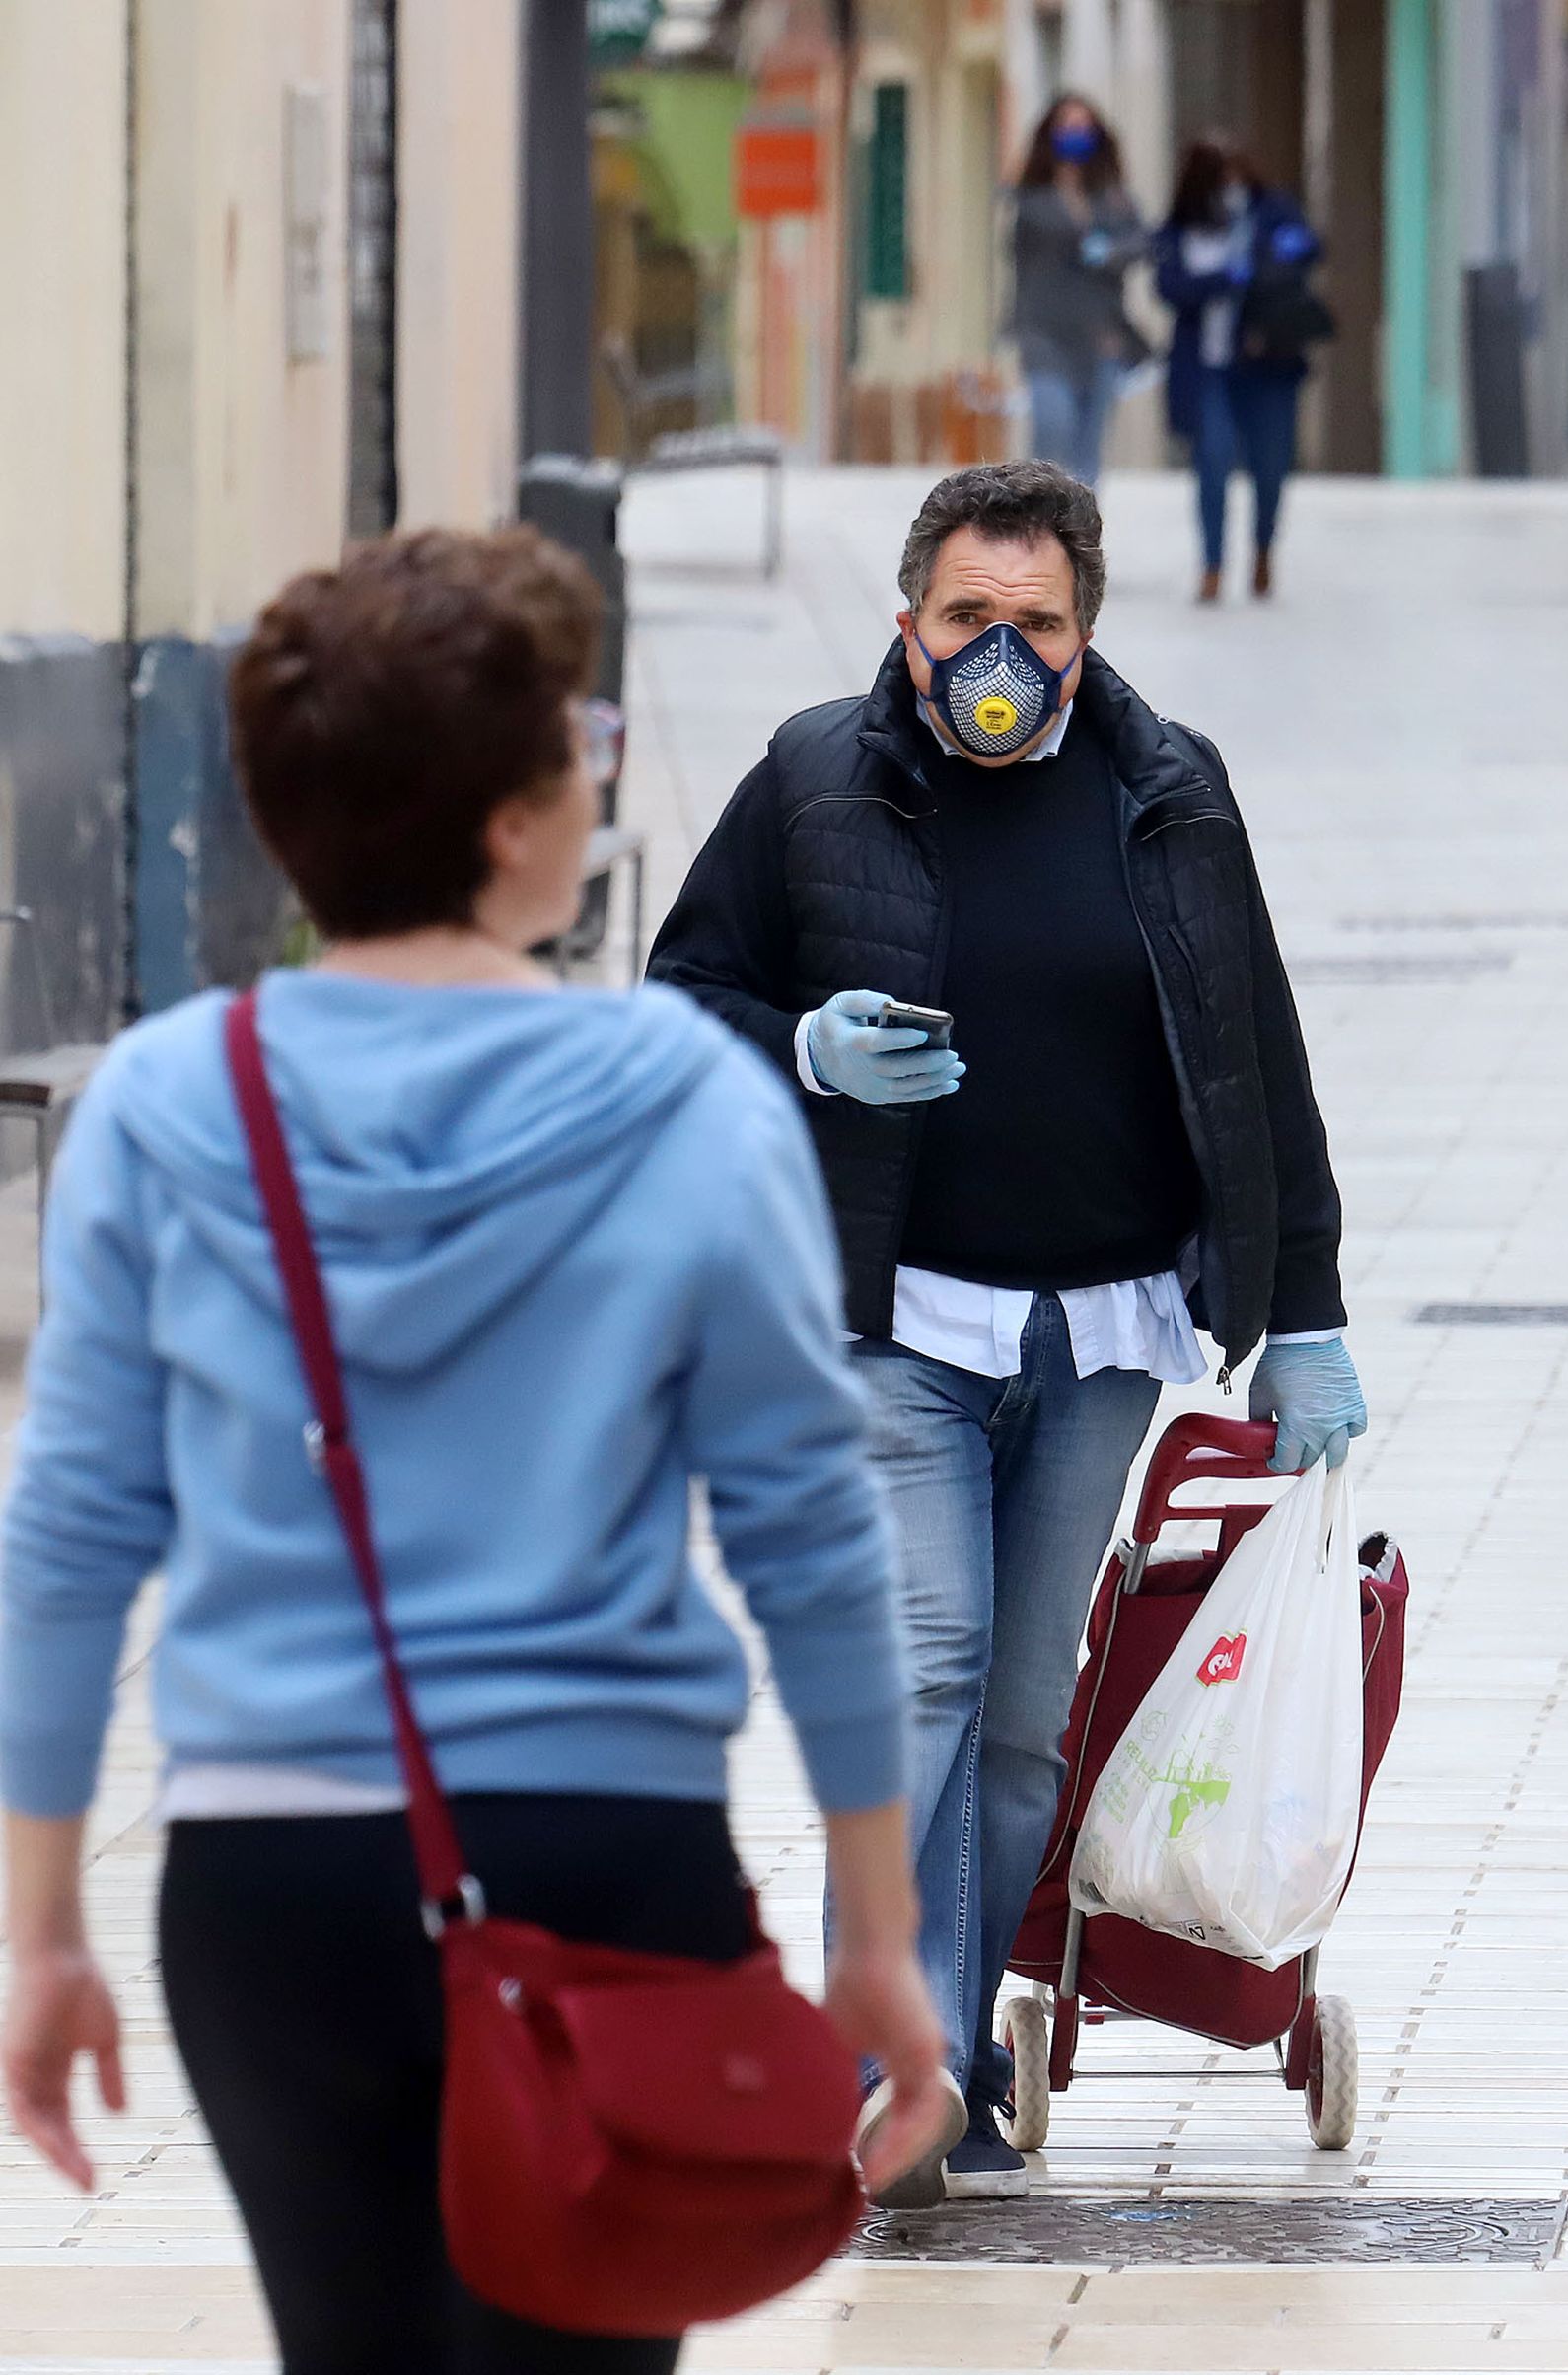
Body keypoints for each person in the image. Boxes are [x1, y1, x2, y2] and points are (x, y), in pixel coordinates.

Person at [0, 527, 950, 2374]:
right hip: (609, 1856)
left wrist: (38, 1924)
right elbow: (815, 1539)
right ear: (524, 822)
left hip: (271, 1881)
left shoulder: (167, 1106)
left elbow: (69, 1534)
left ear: (282, 819)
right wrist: (883, 1935)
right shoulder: (685, 1102)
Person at [647, 460, 1367, 2205]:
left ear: (1085, 633)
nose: (1002, 652)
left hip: (1103, 1332)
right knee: (925, 1663)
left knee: (1030, 1717)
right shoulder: (816, 777)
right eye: (969, 617)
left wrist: (1309, 1309)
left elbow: (1254, 1058)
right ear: (910, 626)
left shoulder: (1171, 792)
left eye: (1035, 622)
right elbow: (680, 1001)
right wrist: (807, 1045)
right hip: (887, 1319)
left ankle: (951, 2049)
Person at [1155, 139, 1325, 602]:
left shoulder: (1273, 214)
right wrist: (1221, 280)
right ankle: (1211, 565)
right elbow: (1169, 287)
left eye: (1233, 174)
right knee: (1212, 462)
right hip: (1209, 370)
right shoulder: (1181, 230)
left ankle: (1264, 551)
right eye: (1216, 177)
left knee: (1271, 467)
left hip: (1268, 365)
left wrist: (1265, 266)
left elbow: (1308, 251)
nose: (1227, 187)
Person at [1010, 94, 1151, 486]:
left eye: (1082, 127)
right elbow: (1022, 269)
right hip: (1045, 336)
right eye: (1066, 127)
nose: (1075, 135)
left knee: (1088, 448)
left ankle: (1079, 539)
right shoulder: (1031, 199)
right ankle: (1038, 525)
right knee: (1052, 426)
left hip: (1100, 338)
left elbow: (1142, 243)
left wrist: (1110, 251)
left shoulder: (1114, 198)